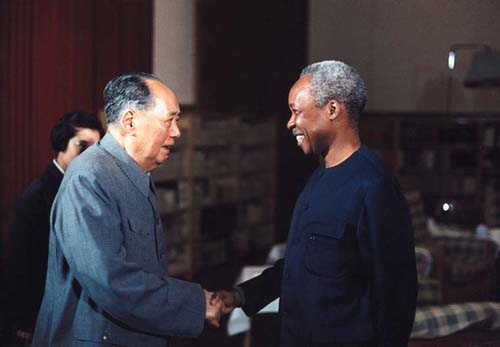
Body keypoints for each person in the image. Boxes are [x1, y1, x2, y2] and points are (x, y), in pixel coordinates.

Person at [217, 61, 418, 347]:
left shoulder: (374, 186)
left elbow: (396, 294)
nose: (290, 123)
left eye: (296, 111)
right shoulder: (318, 177)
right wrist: (242, 295)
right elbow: (302, 265)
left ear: (333, 110)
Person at [32, 73, 223, 346]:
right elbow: (111, 280)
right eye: (169, 120)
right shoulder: (89, 178)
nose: (177, 132)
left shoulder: (134, 173)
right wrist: (195, 303)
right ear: (130, 121)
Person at [5, 111, 104, 345]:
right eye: (82, 146)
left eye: (96, 147)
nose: (91, 155)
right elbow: (21, 265)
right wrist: (25, 321)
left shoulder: (88, 186)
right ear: (62, 144)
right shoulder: (36, 197)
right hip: (41, 311)